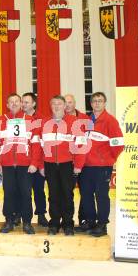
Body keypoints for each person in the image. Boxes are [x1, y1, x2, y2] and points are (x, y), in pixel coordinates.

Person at [0, 94, 41, 234]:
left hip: (25, 164)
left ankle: (27, 222)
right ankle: (9, 220)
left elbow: (36, 144)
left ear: (21, 104)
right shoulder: (1, 120)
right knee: (9, 193)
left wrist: (34, 162)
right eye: (10, 102)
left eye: (16, 101)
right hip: (6, 164)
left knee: (26, 193)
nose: (13, 104)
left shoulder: (30, 120)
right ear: (7, 104)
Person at [40, 95, 87, 235]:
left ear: (64, 106)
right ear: (50, 106)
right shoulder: (44, 122)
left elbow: (81, 144)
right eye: (53, 103)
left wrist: (78, 164)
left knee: (67, 195)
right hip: (49, 165)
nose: (56, 106)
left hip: (68, 165)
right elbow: (40, 146)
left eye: (59, 104)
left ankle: (68, 224)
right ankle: (54, 223)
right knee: (53, 195)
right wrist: (41, 165)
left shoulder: (74, 122)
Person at [80, 92, 123, 237]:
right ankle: (91, 221)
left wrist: (108, 159)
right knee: (86, 195)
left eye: (100, 101)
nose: (97, 103)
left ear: (104, 103)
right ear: (91, 104)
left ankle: (102, 224)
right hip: (86, 166)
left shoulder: (110, 121)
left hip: (102, 166)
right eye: (94, 101)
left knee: (101, 196)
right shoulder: (87, 121)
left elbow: (118, 144)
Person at [64, 94, 91, 230]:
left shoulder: (86, 119)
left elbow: (91, 139)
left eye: (70, 102)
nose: (68, 105)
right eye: (65, 102)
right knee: (67, 193)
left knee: (85, 192)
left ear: (75, 103)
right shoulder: (58, 120)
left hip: (84, 164)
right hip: (67, 164)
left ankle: (83, 219)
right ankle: (67, 220)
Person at [22, 92, 48, 227]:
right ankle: (21, 216)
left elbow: (44, 144)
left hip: (38, 163)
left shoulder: (43, 120)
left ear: (33, 103)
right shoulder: (18, 119)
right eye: (22, 102)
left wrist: (42, 165)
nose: (23, 104)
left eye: (26, 102)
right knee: (23, 191)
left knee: (39, 190)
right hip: (23, 163)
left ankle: (41, 215)